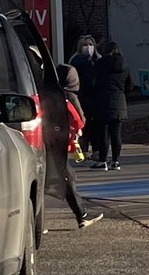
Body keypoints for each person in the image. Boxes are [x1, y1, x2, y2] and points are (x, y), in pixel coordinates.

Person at [55, 63, 102, 228]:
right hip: (59, 142)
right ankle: (82, 215)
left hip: (47, 140)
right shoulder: (70, 97)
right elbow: (79, 120)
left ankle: (81, 214)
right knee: (68, 179)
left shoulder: (50, 93)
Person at [91, 41, 133, 170]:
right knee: (116, 134)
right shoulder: (125, 65)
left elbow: (93, 82)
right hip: (119, 102)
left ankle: (102, 161)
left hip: (102, 102)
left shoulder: (100, 64)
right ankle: (116, 161)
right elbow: (130, 85)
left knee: (103, 134)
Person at [68, 35, 100, 155]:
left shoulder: (96, 60)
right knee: (83, 124)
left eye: (90, 45)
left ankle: (94, 150)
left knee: (94, 126)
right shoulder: (78, 61)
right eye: (85, 45)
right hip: (82, 97)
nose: (88, 48)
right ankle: (84, 150)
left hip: (93, 98)